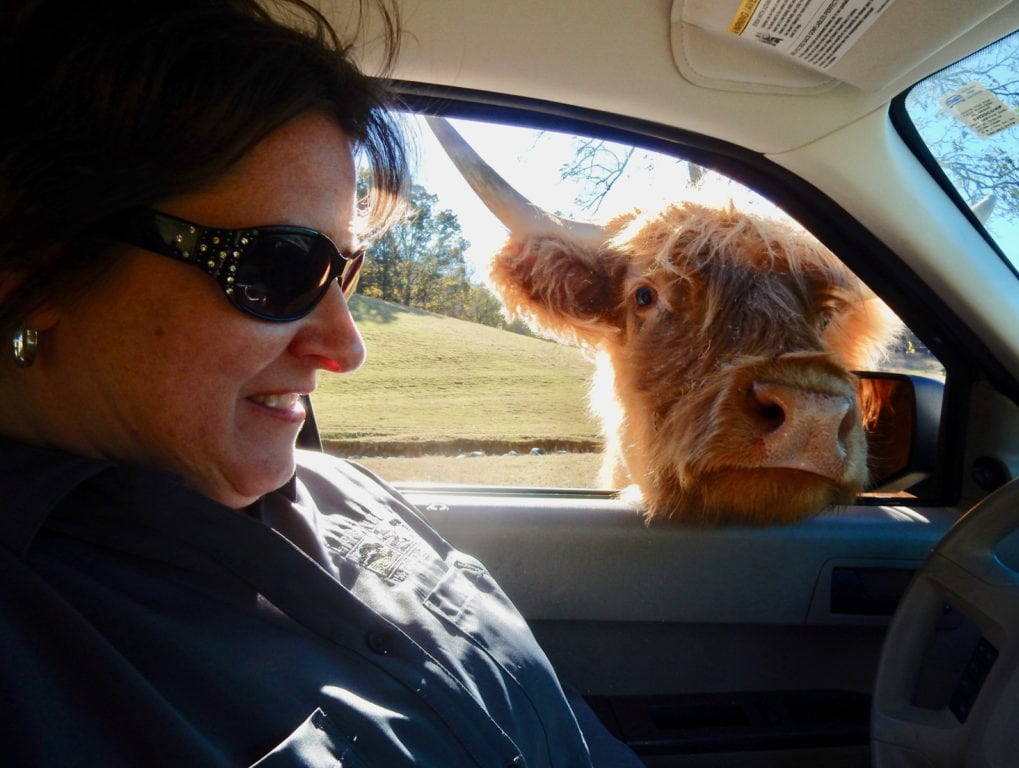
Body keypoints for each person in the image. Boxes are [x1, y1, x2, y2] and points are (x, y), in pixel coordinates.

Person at [0, 1, 645, 766]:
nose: (347, 348)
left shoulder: (352, 491)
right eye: (278, 265)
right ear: (40, 260)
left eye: (344, 267)